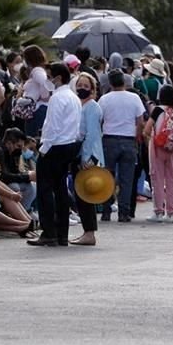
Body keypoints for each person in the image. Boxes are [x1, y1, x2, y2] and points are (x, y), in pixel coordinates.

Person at [29, 62, 82, 246]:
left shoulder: (58, 98)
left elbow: (53, 126)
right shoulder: (73, 97)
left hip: (55, 146)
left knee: (45, 191)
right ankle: (61, 233)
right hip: (69, 145)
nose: (48, 80)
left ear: (58, 78)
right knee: (60, 190)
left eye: (50, 76)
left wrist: (44, 149)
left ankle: (49, 232)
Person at [99, 68, 146, 222]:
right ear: (124, 81)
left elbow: (100, 120)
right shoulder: (134, 98)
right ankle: (124, 213)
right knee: (127, 179)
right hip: (129, 140)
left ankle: (106, 210)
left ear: (110, 83)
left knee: (107, 177)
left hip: (109, 140)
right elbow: (140, 122)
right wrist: (136, 136)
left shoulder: (104, 99)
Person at [144, 84, 173, 223]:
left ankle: (158, 211)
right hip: (172, 148)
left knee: (157, 179)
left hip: (157, 148)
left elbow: (147, 129)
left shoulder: (158, 110)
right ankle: (171, 213)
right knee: (171, 180)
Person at [71, 72, 101, 245]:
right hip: (77, 153)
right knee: (80, 194)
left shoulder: (93, 107)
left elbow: (92, 135)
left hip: (87, 157)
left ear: (92, 89)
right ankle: (86, 232)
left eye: (86, 86)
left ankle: (89, 233)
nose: (82, 88)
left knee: (85, 195)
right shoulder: (77, 104)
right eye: (79, 85)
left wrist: (87, 158)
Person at [0, 127, 37, 212]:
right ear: (9, 143)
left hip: (7, 181)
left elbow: (15, 171)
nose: (20, 149)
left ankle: (25, 211)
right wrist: (27, 176)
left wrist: (28, 175)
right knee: (14, 187)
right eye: (18, 146)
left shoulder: (13, 152)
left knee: (31, 187)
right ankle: (14, 213)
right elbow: (4, 176)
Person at [20, 45, 54, 138]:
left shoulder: (37, 71)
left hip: (37, 110)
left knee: (33, 138)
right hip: (37, 110)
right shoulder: (38, 71)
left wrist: (43, 96)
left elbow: (44, 85)